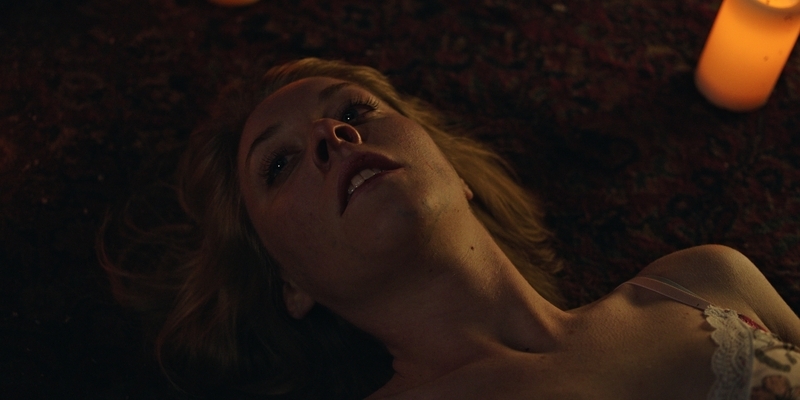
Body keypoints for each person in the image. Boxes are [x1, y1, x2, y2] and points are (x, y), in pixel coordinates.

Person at [99, 58, 800, 400]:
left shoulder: (706, 280)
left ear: (453, 168)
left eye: (356, 110)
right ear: (289, 284)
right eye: (278, 164)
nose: (330, 134)